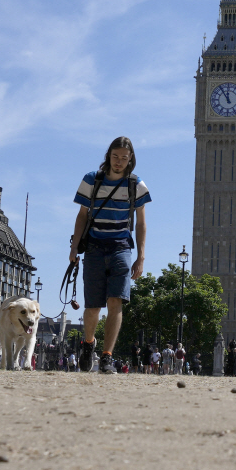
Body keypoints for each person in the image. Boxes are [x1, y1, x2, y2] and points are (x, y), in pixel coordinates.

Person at [70, 137, 151, 375]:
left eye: (124, 158)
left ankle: (107, 356)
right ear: (108, 156)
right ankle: (88, 344)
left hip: (121, 248)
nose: (119, 162)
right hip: (94, 247)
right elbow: (82, 215)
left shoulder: (136, 185)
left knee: (116, 301)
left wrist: (141, 256)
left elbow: (142, 222)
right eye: (115, 157)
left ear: (130, 160)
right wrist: (74, 248)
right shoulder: (91, 180)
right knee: (93, 306)